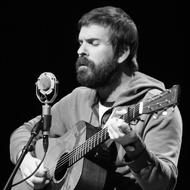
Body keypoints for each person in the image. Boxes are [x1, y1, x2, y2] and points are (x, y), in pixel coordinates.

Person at [9, 6, 182, 190]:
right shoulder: (78, 98)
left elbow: (163, 184)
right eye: (80, 42)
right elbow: (25, 131)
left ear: (122, 52)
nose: (80, 51)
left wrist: (133, 145)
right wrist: (26, 160)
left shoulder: (156, 106)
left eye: (93, 42)